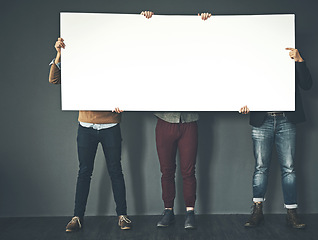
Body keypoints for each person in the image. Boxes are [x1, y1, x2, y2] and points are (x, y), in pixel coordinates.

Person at [49, 37, 131, 232]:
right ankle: (77, 217)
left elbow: (130, 86)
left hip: (110, 124)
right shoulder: (81, 61)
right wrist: (59, 54)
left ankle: (123, 216)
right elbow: (54, 79)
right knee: (84, 172)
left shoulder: (116, 64)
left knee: (115, 171)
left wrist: (125, 102)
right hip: (86, 125)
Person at [142, 11, 211, 229]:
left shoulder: (195, 57)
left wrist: (205, 25)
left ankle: (190, 213)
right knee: (166, 170)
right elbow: (145, 49)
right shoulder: (160, 57)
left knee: (189, 171)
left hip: (189, 120)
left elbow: (209, 50)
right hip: (164, 120)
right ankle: (168, 211)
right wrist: (148, 23)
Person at [239, 48, 312, 229]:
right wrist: (241, 102)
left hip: (286, 119)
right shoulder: (254, 59)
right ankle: (257, 211)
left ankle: (291, 212)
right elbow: (242, 85)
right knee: (261, 167)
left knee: (289, 168)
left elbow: (307, 84)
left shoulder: (289, 57)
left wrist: (299, 60)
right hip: (261, 120)